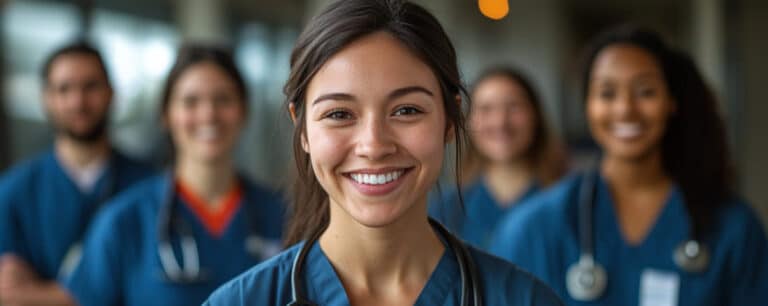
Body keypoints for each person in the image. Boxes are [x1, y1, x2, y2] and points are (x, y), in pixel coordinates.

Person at [204, 1, 563, 305]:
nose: (373, 145)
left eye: (406, 110)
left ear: (450, 120)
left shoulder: (524, 298)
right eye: (339, 114)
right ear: (303, 129)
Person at [490, 25, 768, 305]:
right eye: (607, 93)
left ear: (672, 102)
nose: (625, 109)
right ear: (588, 105)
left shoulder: (733, 228)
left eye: (645, 92)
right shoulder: (533, 228)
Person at [63, 45, 286, 306]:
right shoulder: (123, 222)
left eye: (223, 99)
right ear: (166, 115)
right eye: (190, 102)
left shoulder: (282, 217)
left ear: (244, 111)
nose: (208, 114)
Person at [0, 42, 154, 306]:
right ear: (46, 98)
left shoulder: (149, 186)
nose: (78, 101)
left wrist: (43, 294)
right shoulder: (13, 192)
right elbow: (9, 297)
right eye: (64, 89)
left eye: (90, 86)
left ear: (111, 93)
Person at [429, 67, 566, 250]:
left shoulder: (569, 204)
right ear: (468, 121)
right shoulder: (444, 210)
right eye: (486, 109)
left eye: (514, 107)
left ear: (536, 116)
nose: (501, 122)